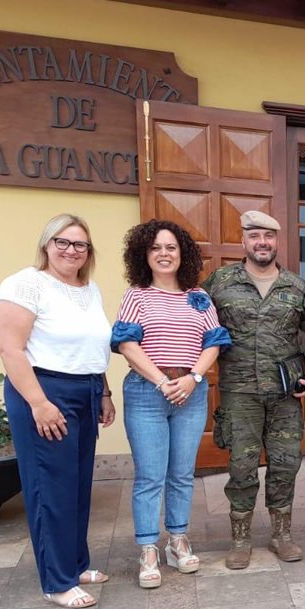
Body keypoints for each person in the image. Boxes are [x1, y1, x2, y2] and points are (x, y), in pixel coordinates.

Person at [0, 213, 115, 609]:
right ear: (46, 244)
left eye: (79, 244)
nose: (70, 250)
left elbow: (92, 347)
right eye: (62, 242)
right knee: (51, 487)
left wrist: (103, 392)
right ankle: (57, 581)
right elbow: (11, 349)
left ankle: (76, 563)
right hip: (45, 390)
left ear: (88, 252)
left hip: (85, 389)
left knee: (77, 484)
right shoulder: (25, 284)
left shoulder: (88, 288)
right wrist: (39, 403)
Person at [112, 220, 231, 587]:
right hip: (148, 392)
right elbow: (127, 345)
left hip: (190, 392)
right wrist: (164, 382)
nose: (164, 254)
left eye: (171, 248)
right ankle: (148, 548)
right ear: (144, 255)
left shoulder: (199, 297)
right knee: (150, 476)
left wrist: (193, 378)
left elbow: (214, 341)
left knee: (181, 473)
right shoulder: (137, 296)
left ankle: (177, 539)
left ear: (183, 254)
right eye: (156, 248)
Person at [202, 211, 305, 570]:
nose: (262, 242)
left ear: (277, 241)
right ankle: (240, 538)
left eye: (268, 236)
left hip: (285, 394)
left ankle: (281, 534)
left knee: (285, 463)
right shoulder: (219, 283)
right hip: (240, 394)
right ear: (244, 241)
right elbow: (195, 328)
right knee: (242, 466)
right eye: (255, 236)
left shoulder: (297, 287)